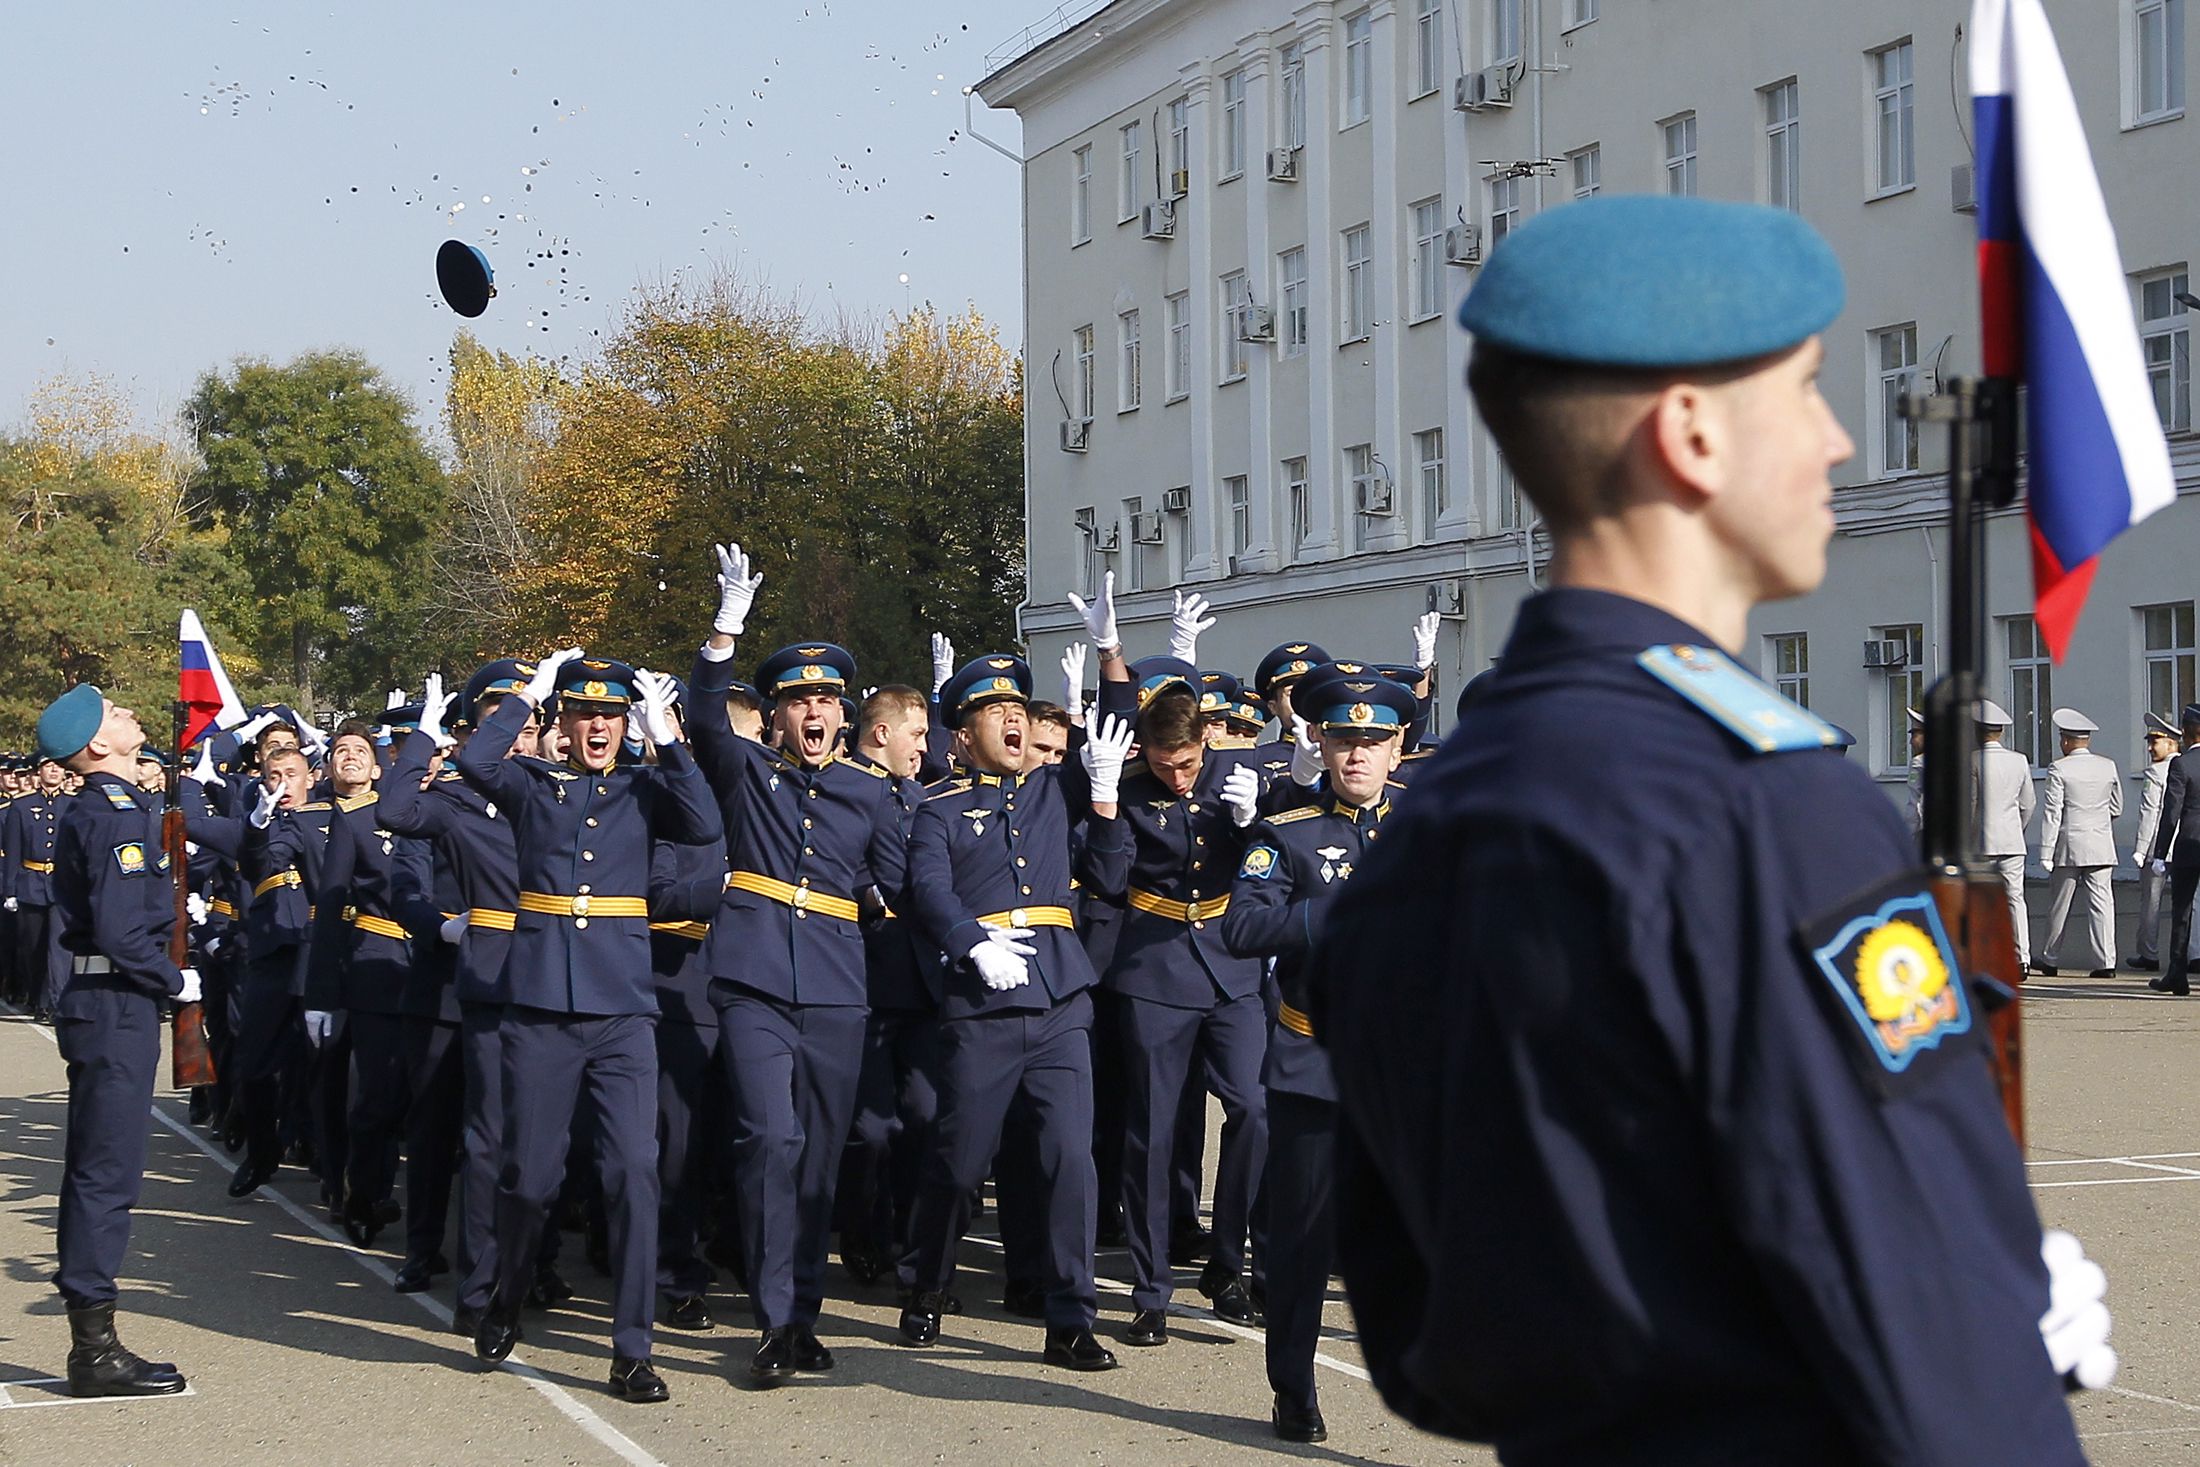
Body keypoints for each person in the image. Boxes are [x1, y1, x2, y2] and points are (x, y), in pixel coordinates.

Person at [1310, 194, 2111, 1464]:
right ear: (1688, 432)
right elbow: (1908, 1293)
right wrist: (1984, 1323)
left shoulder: (1431, 822)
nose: (1840, 439)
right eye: (1803, 391)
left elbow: (1417, 1322)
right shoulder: (1764, 812)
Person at [457, 651, 720, 1403]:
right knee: (530, 1180)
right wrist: (525, 699)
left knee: (634, 1172)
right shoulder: (533, 784)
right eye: (584, 712)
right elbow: (478, 760)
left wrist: (665, 735)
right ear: (564, 723)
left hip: (623, 1012)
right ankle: (505, 1291)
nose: (599, 725)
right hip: (540, 1007)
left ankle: (632, 1347)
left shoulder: (646, 788)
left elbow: (703, 823)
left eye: (610, 714)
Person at [684, 543, 911, 1386]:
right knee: (769, 1137)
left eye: (824, 698)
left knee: (818, 1155)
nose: (813, 711)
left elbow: (899, 878)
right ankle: (774, 1318)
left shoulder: (869, 790)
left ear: (843, 715)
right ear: (776, 716)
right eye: (797, 700)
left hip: (838, 991)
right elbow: (704, 717)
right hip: (749, 981)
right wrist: (725, 630)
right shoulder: (749, 771)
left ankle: (803, 1314)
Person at [894, 655, 1133, 1371]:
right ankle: (927, 1283)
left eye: (1019, 712)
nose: (1012, 720)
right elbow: (927, 890)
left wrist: (1112, 653)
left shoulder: (1053, 790)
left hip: (1059, 994)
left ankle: (1070, 1317)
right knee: (962, 1164)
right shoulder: (936, 808)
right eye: (993, 713)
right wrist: (970, 941)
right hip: (984, 1000)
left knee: (1069, 1159)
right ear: (962, 737)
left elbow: (1115, 729)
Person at [1072, 573, 1273, 1345]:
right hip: (1154, 964)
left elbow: (1267, 865)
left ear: (1206, 741)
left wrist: (1257, 828)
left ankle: (1227, 1262)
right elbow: (1113, 881)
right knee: (1152, 1133)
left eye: (1187, 761)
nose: (1179, 776)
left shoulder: (1237, 776)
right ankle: (1151, 1290)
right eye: (1165, 764)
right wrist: (1105, 805)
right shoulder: (1126, 780)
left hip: (1229, 960)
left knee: (1254, 1109)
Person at [1223, 659, 1411, 1445]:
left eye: (1373, 740)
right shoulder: (1287, 834)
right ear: (1322, 745)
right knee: (1304, 1240)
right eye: (1343, 739)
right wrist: (1331, 915)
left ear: (1398, 748)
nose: (1358, 754)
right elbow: (1241, 928)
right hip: (1317, 1064)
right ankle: (1294, 1388)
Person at [38, 682, 197, 1396]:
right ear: (99, 745)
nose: (131, 714)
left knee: (105, 1166)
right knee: (109, 1171)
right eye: (117, 713)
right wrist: (171, 979)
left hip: (108, 999)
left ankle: (92, 1335)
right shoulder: (112, 813)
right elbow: (118, 928)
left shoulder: (120, 807)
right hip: (115, 1002)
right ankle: (94, 1348)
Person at [2034, 708, 2120, 978]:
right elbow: (2116, 806)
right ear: (2088, 740)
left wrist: (2046, 851)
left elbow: (2052, 812)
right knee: (2102, 905)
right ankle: (2105, 961)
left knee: (2060, 904)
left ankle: (2050, 957)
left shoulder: (2059, 768)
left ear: (2067, 741)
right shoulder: (2108, 766)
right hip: (2102, 844)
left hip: (2069, 845)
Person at [1975, 700, 2038, 968]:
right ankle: (2021, 958)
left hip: (1981, 842)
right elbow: (2029, 803)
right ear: (2000, 732)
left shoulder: (1972, 760)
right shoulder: (2019, 760)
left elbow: (1970, 803)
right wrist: (2018, 828)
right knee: (2015, 899)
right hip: (2013, 840)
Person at [2145, 701, 2200, 996]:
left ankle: (2177, 975)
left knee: (2182, 912)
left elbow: (2171, 812)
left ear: (2188, 732)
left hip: (2189, 848)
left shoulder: (2182, 764)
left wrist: (2159, 853)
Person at [2130, 712, 2179, 971]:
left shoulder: (2155, 773)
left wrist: (2140, 849)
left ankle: (2149, 954)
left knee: (2151, 902)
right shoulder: (2189, 765)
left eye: (2155, 742)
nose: (2150, 748)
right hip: (2184, 847)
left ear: (2171, 743)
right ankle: (2194, 954)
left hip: (2158, 847)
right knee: (2191, 902)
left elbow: (2149, 814)